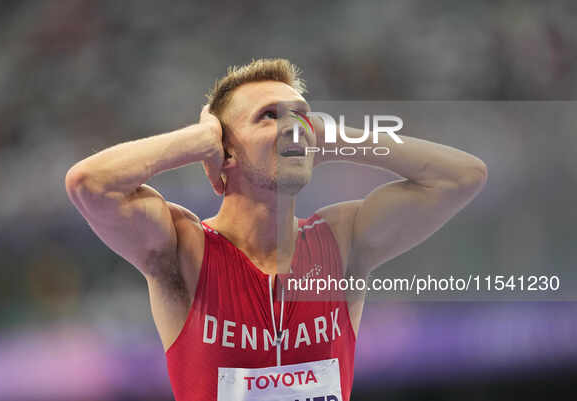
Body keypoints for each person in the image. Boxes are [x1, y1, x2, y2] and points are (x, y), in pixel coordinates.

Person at [65, 58, 487, 401]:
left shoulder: (341, 241)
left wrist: (338, 137)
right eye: (268, 116)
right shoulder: (185, 248)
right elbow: (89, 183)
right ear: (224, 149)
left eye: (303, 118)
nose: (294, 128)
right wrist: (198, 140)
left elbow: (463, 177)